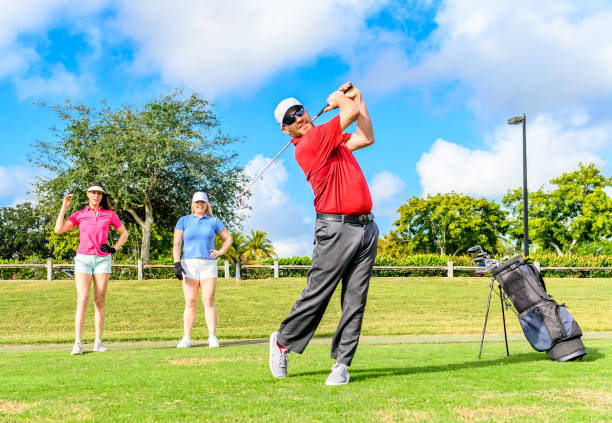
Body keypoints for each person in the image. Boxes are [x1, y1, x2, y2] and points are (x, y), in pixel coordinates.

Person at [269, 81, 378, 385]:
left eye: (299, 111)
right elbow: (351, 112)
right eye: (289, 119)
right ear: (285, 130)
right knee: (319, 293)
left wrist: (358, 98)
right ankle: (283, 341)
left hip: (366, 227)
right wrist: (341, 99)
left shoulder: (329, 138)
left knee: (355, 299)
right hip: (335, 227)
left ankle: (342, 364)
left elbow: (366, 137)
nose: (298, 118)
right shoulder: (309, 144)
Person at [54, 182, 129, 355]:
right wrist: (64, 207)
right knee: (83, 299)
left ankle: (98, 342)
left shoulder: (109, 214)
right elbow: (59, 229)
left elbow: (124, 233)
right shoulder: (80, 214)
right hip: (83, 259)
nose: (96, 196)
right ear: (88, 194)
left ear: (102, 196)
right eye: (93, 192)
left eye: (99, 193)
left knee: (100, 299)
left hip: (103, 260)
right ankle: (78, 343)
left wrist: (114, 248)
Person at [173, 192, 232, 348]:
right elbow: (177, 244)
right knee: (190, 301)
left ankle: (212, 337)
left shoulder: (213, 221)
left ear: (207, 205)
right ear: (193, 204)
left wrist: (221, 251)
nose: (200, 205)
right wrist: (176, 263)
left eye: (203, 202)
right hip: (189, 264)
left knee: (208, 300)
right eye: (197, 202)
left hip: (208, 264)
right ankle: (186, 338)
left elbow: (228, 238)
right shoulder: (184, 221)